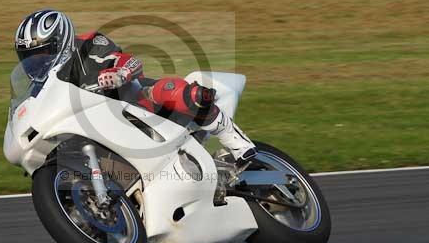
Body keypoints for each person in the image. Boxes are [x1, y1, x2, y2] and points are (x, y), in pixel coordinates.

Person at [14, 9, 256, 163]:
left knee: (170, 91)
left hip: (136, 108)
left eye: (43, 54)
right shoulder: (42, 87)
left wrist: (118, 74)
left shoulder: (89, 46)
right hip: (100, 131)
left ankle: (234, 139)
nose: (37, 63)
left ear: (62, 43)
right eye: (30, 57)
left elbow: (133, 62)